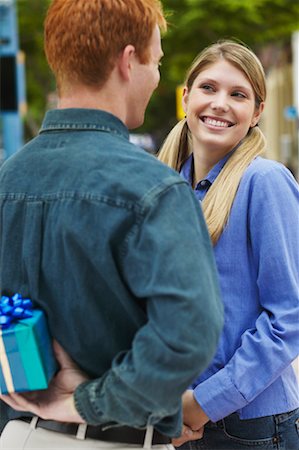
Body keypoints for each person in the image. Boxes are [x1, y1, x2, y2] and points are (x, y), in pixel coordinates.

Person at [0, 1, 224, 449]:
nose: (158, 77)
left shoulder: (7, 179)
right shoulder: (154, 189)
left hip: (20, 436)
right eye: (155, 62)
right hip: (117, 439)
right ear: (127, 61)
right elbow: (187, 338)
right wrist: (85, 402)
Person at [158, 40, 299, 450]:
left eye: (238, 95)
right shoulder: (164, 189)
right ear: (186, 98)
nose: (220, 103)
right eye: (208, 88)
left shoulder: (265, 182)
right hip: (177, 421)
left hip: (249, 429)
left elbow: (288, 317)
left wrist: (203, 404)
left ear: (257, 112)